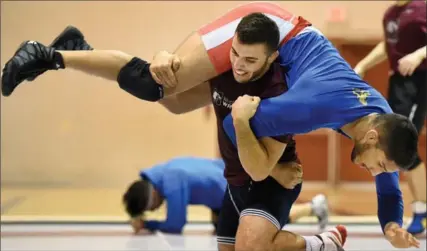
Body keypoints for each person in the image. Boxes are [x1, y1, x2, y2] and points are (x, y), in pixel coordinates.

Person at [0, 2, 419, 249]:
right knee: (158, 82)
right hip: (270, 33)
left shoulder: (381, 114)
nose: (377, 172)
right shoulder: (314, 106)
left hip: (283, 56)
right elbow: (249, 117)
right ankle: (48, 54)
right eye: (379, 164)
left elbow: (388, 182)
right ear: (370, 136)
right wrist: (275, 166)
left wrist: (391, 225)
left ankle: (81, 50)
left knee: (175, 105)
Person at [354, 0, 426, 235]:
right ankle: (420, 209)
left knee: (405, 148)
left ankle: (422, 210)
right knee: (394, 146)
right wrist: (363, 65)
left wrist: (418, 55)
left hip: (418, 81)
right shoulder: (391, 14)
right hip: (398, 85)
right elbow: (388, 46)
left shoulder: (422, 8)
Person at [123, 156, 329, 234]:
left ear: (152, 196)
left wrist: (147, 225)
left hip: (232, 191)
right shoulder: (164, 171)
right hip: (224, 183)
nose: (154, 211)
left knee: (262, 226)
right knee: (220, 229)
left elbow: (176, 224)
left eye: (150, 209)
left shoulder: (171, 183)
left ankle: (313, 207)